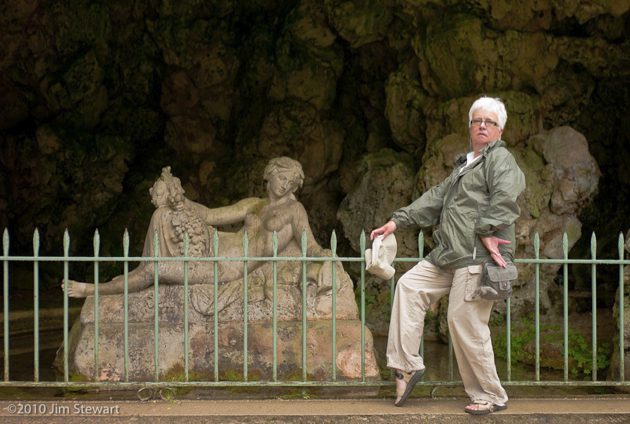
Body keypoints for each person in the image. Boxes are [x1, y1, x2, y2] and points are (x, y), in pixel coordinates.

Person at [371, 96, 525, 414]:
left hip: (479, 256)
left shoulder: (500, 160)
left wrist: (487, 229)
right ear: (469, 126)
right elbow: (433, 199)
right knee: (409, 286)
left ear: (500, 129)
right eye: (477, 120)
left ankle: (492, 395)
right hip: (450, 253)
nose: (482, 125)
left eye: (489, 122)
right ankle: (406, 366)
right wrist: (395, 221)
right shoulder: (464, 165)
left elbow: (507, 195)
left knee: (462, 319)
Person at [64, 157, 330, 297]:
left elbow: (311, 245)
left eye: (290, 183)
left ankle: (91, 289)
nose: (284, 185)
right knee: (163, 214)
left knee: (156, 269)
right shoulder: (254, 204)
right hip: (215, 242)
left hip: (226, 266)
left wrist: (324, 256)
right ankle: (137, 271)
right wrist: (180, 198)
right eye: (281, 178)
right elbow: (210, 216)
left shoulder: (294, 209)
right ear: (270, 175)